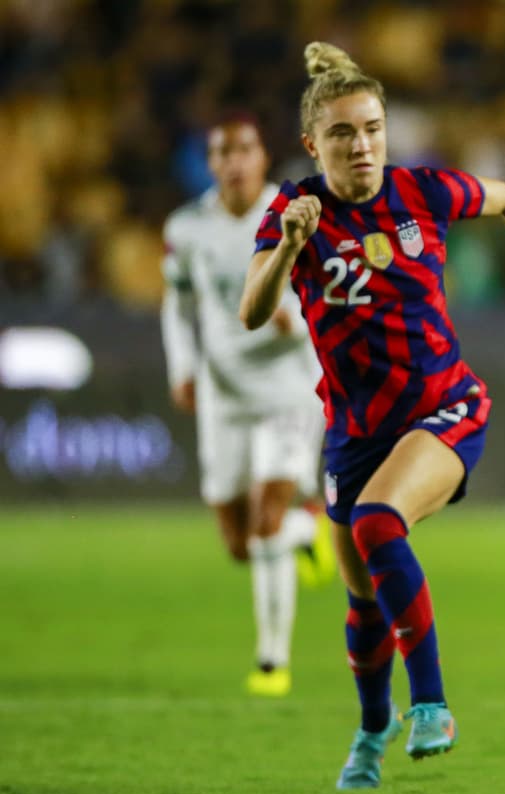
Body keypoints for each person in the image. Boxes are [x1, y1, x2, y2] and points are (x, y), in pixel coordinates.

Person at [240, 42, 505, 790]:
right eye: (342, 133)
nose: (361, 143)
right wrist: (289, 248)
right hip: (354, 432)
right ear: (313, 145)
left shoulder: (423, 192)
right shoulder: (291, 212)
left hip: (445, 406)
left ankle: (431, 703)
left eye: (371, 127)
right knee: (362, 597)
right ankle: (373, 726)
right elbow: (252, 310)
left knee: (376, 525)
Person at [161, 115, 334, 700]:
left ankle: (272, 661)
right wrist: (183, 368)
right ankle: (306, 530)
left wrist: (302, 322)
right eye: (221, 152)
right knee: (239, 543)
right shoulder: (187, 229)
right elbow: (177, 305)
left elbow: (333, 290)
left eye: (244, 150)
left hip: (288, 386)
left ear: (262, 158)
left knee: (264, 525)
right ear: (210, 164)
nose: (234, 161)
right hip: (223, 392)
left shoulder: (297, 213)